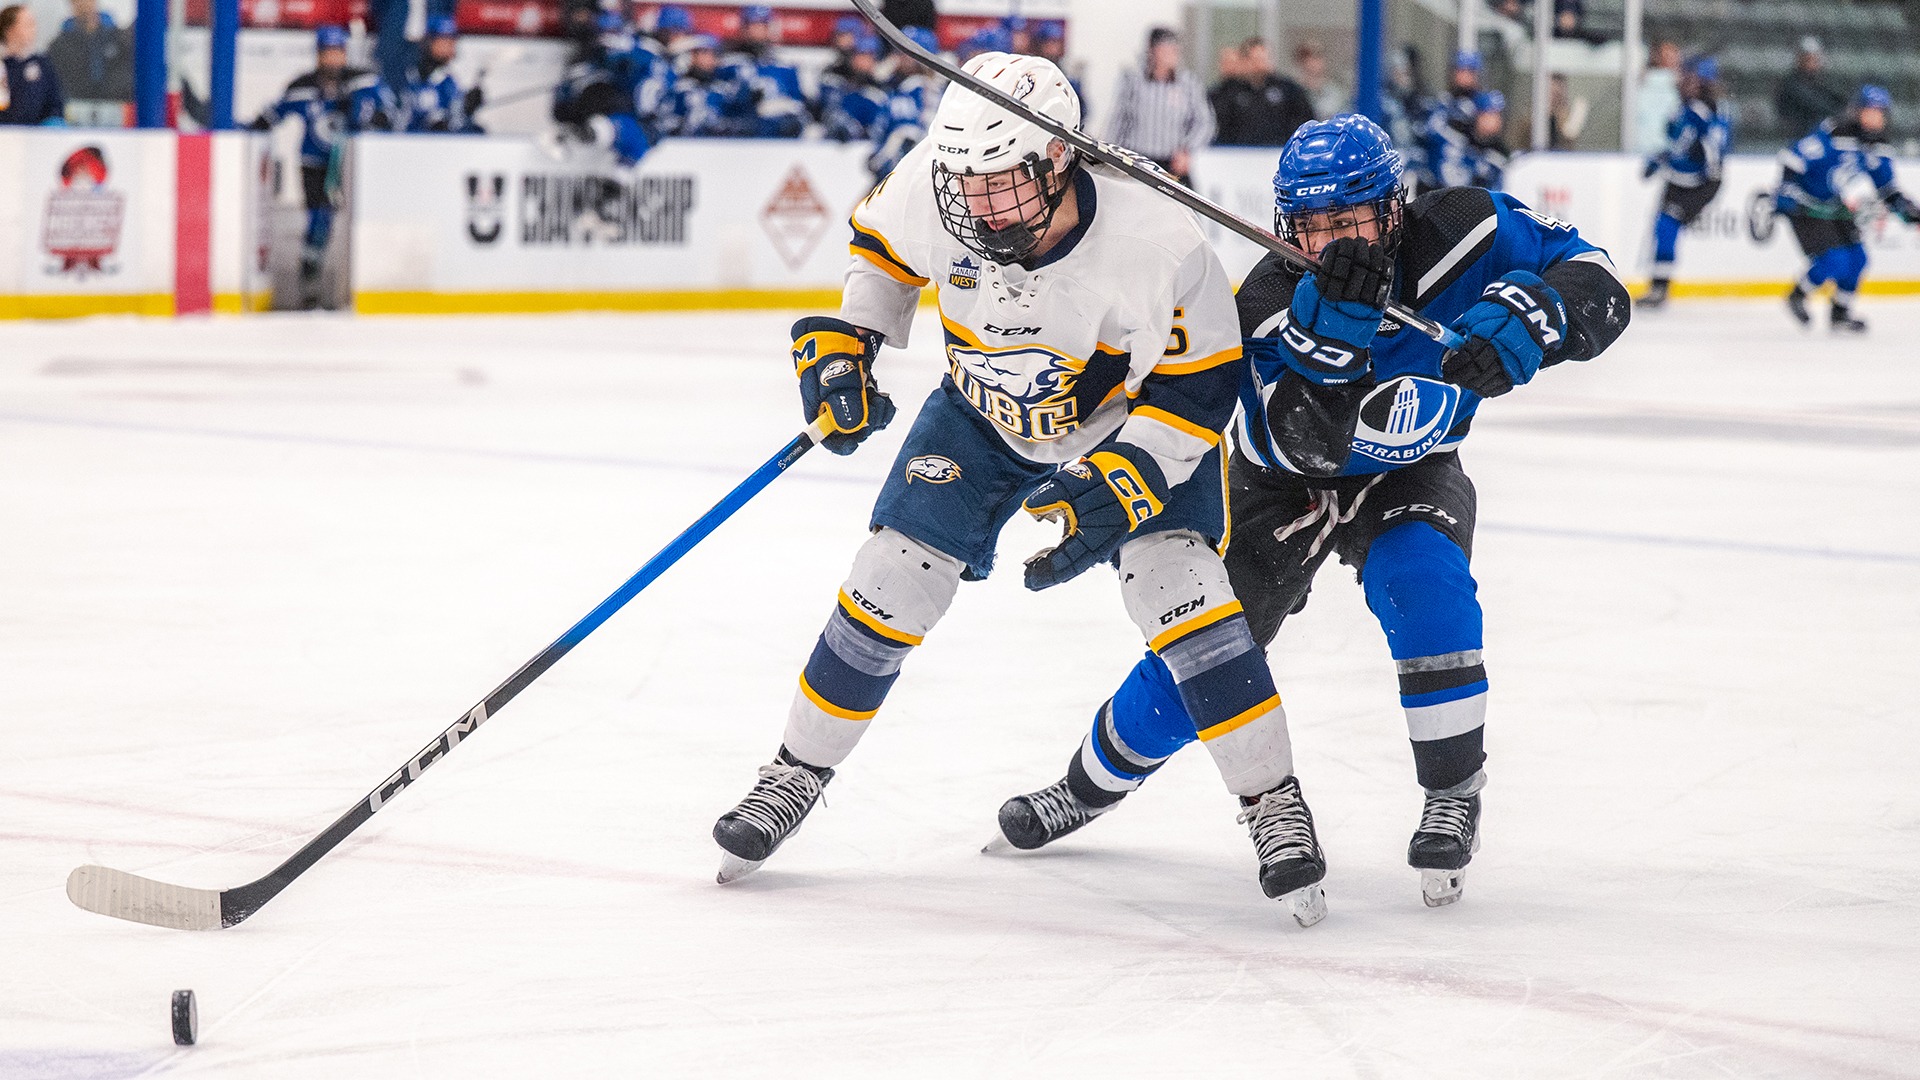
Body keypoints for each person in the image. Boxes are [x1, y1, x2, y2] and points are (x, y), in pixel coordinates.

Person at [710, 52, 1330, 926]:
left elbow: (1202, 382)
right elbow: (883, 253)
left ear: (1060, 158)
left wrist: (1135, 472)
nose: (977, 204)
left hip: (1127, 423)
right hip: (981, 412)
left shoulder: (1158, 235)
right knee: (889, 578)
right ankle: (793, 775)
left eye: (1002, 184)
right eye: (966, 182)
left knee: (1183, 596)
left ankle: (1272, 802)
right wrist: (853, 342)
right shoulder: (937, 185)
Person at [991, 114, 1631, 910]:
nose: (1329, 241)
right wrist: (1327, 348)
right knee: (1209, 655)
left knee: (1424, 586)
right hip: (1277, 490)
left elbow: (1600, 280)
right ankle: (1084, 786)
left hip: (1414, 470)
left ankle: (1453, 790)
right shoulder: (1264, 299)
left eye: (1349, 219)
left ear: (1392, 209)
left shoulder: (1470, 228)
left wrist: (1539, 317)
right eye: (1311, 224)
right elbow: (1305, 449)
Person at [252, 26, 382, 306]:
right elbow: (271, 116)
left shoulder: (361, 83)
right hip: (312, 164)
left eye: (338, 53)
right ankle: (309, 283)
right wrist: (247, 132)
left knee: (344, 224)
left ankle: (340, 286)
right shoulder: (303, 86)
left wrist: (363, 113)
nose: (333, 60)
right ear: (319, 55)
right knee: (317, 221)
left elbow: (385, 114)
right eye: (328, 53)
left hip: (349, 167)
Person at [1775, 86, 1919, 333]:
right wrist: (1787, 193)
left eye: (1880, 113)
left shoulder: (1878, 146)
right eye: (1869, 111)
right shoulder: (1834, 134)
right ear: (1857, 111)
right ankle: (1797, 294)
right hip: (1806, 207)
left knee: (1858, 259)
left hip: (1834, 206)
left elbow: (1887, 188)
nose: (1875, 118)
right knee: (1835, 261)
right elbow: (1792, 158)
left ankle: (1840, 314)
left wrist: (1908, 211)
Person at [1639, 56, 1730, 308]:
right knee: (1663, 227)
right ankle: (1659, 285)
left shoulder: (1700, 111)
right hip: (1686, 179)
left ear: (1701, 81)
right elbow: (1677, 139)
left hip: (1696, 182)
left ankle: (1659, 288)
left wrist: (1661, 161)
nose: (1680, 81)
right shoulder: (1693, 107)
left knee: (1666, 226)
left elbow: (1697, 150)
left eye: (1687, 76)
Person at [1107, 27, 1214, 184]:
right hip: (1138, 162)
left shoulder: (1187, 83)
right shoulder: (1134, 81)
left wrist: (1187, 151)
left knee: (1185, 207)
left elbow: (1204, 121)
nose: (1173, 51)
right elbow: (1119, 120)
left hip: (1172, 164)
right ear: (1153, 50)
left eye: (1175, 47)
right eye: (1167, 47)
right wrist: (1113, 154)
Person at [720, 5, 806, 138]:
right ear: (744, 29)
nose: (757, 31)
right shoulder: (729, 65)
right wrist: (745, 96)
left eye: (762, 26)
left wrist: (779, 106)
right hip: (741, 136)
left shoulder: (785, 66)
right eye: (753, 26)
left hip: (778, 136)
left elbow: (798, 103)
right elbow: (721, 104)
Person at [1209, 37, 1313, 147]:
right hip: (1237, 155)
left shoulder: (1288, 90)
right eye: (1256, 59)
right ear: (1245, 61)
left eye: (1265, 58)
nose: (1261, 64)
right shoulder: (1228, 92)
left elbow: (1304, 120)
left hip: (1277, 152)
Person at [867, 25, 939, 180]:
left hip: (910, 172)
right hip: (893, 170)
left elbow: (911, 135)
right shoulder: (897, 86)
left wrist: (884, 158)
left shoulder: (922, 87)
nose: (901, 56)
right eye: (900, 51)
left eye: (907, 52)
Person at [46, 0, 131, 122]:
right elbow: (56, 83)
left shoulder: (119, 38)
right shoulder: (59, 46)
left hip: (116, 110)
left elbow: (127, 73)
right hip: (75, 112)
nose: (84, 4)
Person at [399, 15, 482, 133]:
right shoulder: (406, 74)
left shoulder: (449, 81)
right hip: (405, 143)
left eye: (452, 41)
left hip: (438, 146)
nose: (450, 47)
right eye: (444, 41)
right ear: (429, 41)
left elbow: (457, 122)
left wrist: (467, 109)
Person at [1417, 89, 1509, 192]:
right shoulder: (1452, 134)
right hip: (1434, 195)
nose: (1492, 121)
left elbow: (1495, 192)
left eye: (1496, 116)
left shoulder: (1499, 154)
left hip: (1469, 203)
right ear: (1477, 115)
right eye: (1487, 115)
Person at [0, 4, 66, 126]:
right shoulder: (3, 65)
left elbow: (55, 103)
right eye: (28, 24)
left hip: (37, 136)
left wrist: (52, 122)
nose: (34, 29)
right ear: (10, 30)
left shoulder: (42, 63)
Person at [1774, 37, 1845, 143]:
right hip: (1799, 137)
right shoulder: (1791, 84)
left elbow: (1836, 99)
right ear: (1800, 59)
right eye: (1809, 59)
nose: (1813, 63)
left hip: (1818, 138)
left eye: (1816, 59)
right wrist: (1839, 114)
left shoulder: (1819, 82)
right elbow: (1815, 105)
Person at [1632, 40, 1681, 156]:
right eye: (1668, 56)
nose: (1674, 60)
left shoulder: (1677, 86)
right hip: (1645, 147)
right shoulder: (1649, 82)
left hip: (1664, 149)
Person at [1294, 39, 1348, 119]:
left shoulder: (1336, 93)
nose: (1312, 62)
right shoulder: (1294, 92)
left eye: (1317, 57)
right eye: (1307, 58)